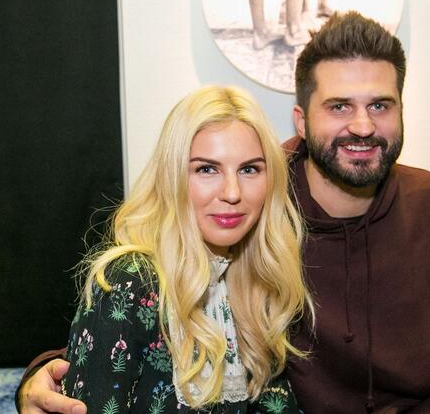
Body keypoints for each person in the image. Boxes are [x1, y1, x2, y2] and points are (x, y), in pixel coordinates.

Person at [18, 12, 430, 413]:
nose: (363, 126)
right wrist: (42, 376)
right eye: (340, 106)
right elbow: (149, 293)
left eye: (380, 105)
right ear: (301, 120)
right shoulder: (258, 205)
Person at [19, 85, 312, 413]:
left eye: (249, 169)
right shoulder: (130, 281)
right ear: (172, 176)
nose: (232, 192)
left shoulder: (252, 284)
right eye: (206, 169)